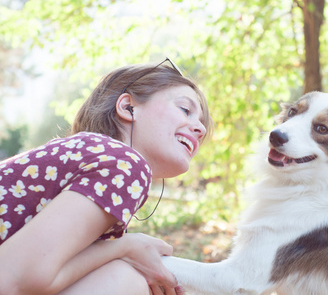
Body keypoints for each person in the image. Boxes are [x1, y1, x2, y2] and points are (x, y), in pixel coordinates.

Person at [0, 58, 214, 295]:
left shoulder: (100, 160)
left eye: (202, 123)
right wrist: (123, 248)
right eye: (185, 110)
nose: (200, 129)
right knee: (124, 279)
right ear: (127, 107)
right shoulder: (123, 163)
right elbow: (12, 279)